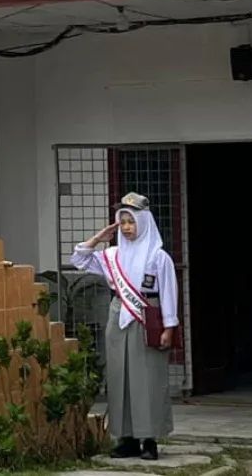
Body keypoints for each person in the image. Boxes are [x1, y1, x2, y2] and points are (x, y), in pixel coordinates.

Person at [70, 192, 178, 461]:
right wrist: (98, 238)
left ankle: (149, 440)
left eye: (132, 221)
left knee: (148, 380)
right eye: (123, 222)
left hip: (148, 319)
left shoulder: (158, 257)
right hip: (118, 316)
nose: (127, 227)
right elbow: (79, 260)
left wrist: (169, 327)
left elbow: (168, 293)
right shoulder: (112, 255)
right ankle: (126, 438)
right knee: (120, 379)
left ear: (144, 222)